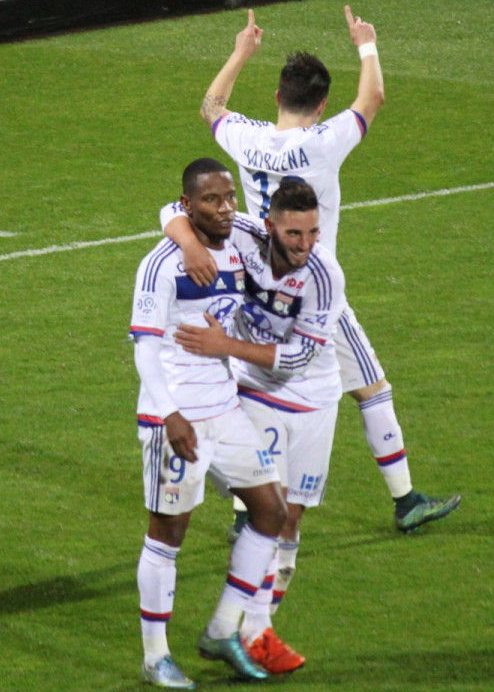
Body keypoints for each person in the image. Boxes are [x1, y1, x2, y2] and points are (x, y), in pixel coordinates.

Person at [183, 5, 460, 533]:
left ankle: (247, 512)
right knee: (371, 388)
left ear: (277, 98)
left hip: (257, 293)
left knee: (260, 396)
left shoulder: (246, 138)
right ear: (322, 103)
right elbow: (373, 97)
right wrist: (366, 44)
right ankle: (405, 502)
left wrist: (242, 51)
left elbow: (211, 106)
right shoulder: (322, 143)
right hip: (315, 294)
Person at [168, 176, 346, 675]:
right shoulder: (243, 231)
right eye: (294, 235)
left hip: (313, 397)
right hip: (254, 390)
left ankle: (254, 626)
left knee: (290, 517)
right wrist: (187, 243)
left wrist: (225, 346)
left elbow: (298, 356)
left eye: (313, 233)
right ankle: (247, 629)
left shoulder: (325, 276)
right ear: (270, 227)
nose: (306, 245)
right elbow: (170, 209)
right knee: (267, 505)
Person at [131, 158, 289, 688]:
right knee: (168, 533)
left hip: (225, 408)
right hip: (176, 417)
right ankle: (156, 658)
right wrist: (170, 415)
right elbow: (146, 349)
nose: (225, 208)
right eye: (211, 201)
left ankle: (223, 629)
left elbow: (273, 228)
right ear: (187, 206)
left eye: (229, 198)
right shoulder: (161, 266)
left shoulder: (241, 234)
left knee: (271, 510)